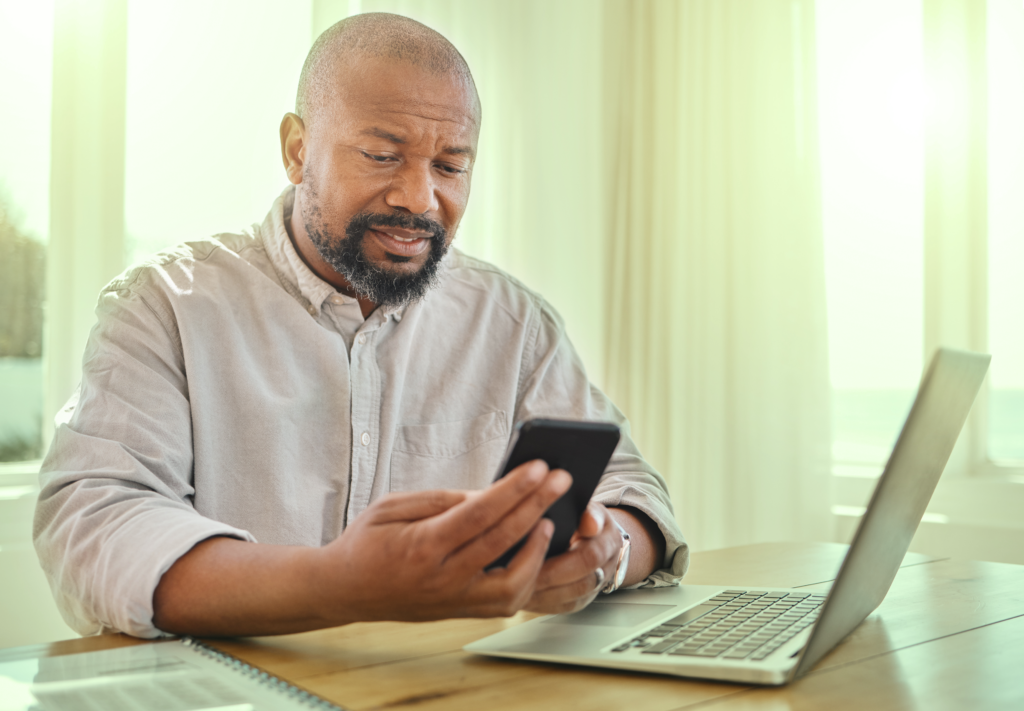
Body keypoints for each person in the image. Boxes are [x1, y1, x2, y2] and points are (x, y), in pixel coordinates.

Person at [33, 13, 688, 639]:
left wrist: (604, 553)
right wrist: (335, 583)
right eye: (381, 155)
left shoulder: (514, 322)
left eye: (451, 166)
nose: (419, 198)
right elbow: (95, 524)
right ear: (297, 149)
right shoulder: (166, 306)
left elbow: (636, 493)